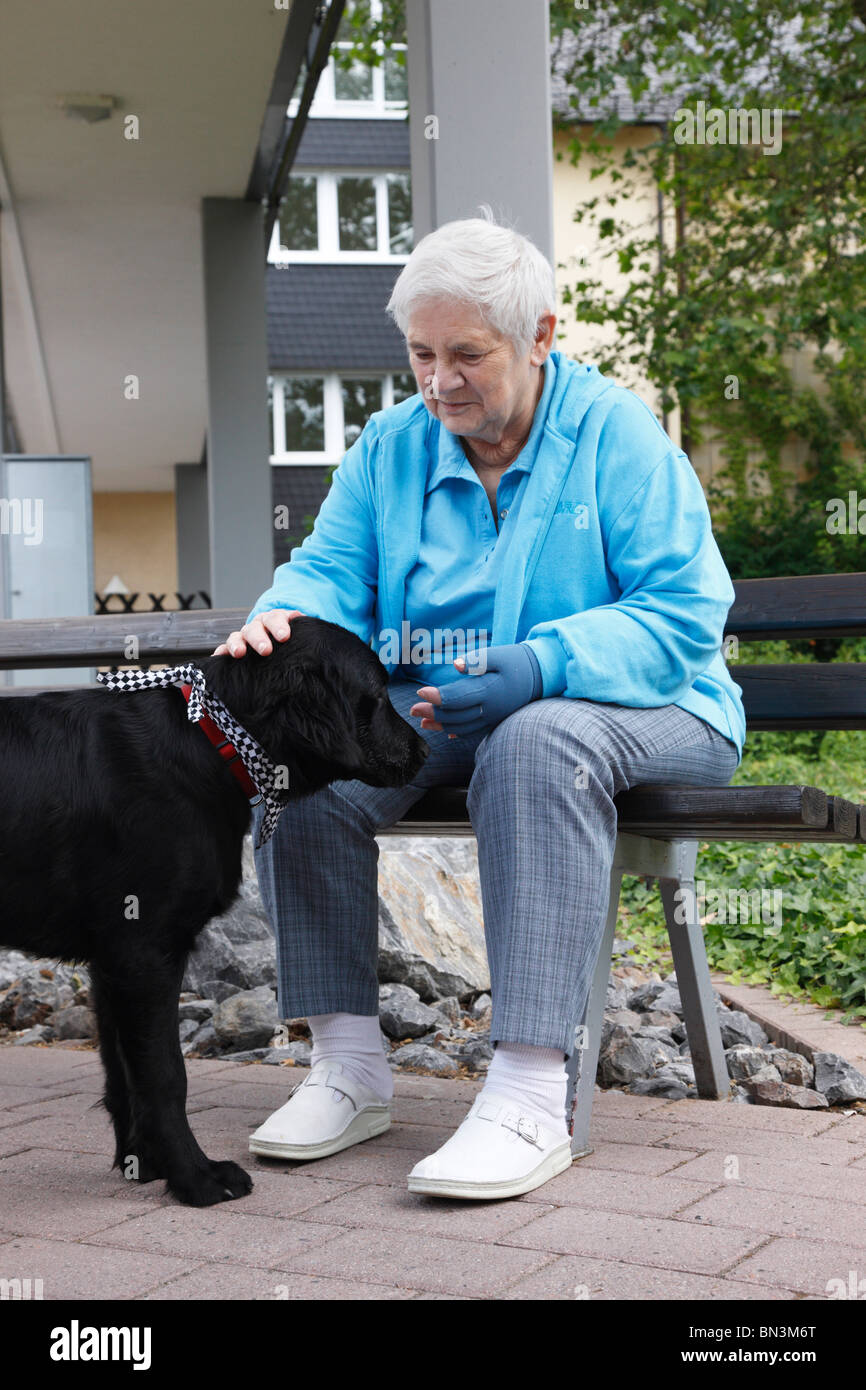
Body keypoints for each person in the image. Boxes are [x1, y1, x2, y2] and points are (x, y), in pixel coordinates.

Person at [214, 212, 745, 1202]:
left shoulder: (613, 435)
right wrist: (279, 622)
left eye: (467, 353)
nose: (439, 380)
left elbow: (682, 615)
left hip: (651, 708)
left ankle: (528, 1091)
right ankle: (346, 1065)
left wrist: (545, 661)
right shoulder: (389, 448)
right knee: (310, 773)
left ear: (541, 335)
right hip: (454, 714)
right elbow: (329, 575)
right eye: (420, 353)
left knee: (537, 740)